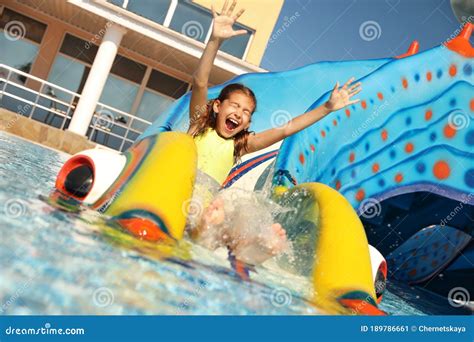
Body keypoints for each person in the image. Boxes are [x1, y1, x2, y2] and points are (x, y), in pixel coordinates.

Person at [188, 0, 362, 266]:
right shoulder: (198, 123)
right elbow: (200, 81)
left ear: (247, 124)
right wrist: (214, 41)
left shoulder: (241, 145)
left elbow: (287, 128)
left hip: (212, 208)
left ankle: (252, 250)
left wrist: (327, 107)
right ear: (217, 106)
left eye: (246, 112)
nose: (239, 113)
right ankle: (216, 235)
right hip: (183, 195)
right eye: (234, 105)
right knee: (209, 213)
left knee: (237, 209)